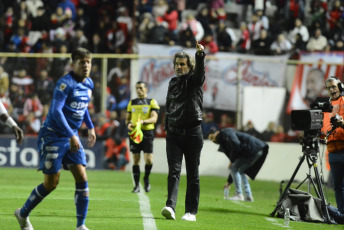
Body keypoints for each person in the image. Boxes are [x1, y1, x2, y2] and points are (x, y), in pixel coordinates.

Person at [14, 48, 96, 230]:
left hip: (70, 135)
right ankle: (23, 213)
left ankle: (81, 226)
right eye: (82, 62)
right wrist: (72, 134)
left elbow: (83, 108)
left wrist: (90, 127)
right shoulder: (65, 84)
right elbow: (56, 111)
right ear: (73, 64)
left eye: (88, 62)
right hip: (53, 135)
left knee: (82, 176)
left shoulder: (89, 84)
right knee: (51, 184)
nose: (86, 66)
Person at [161, 40, 205, 222]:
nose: (179, 67)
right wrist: (166, 127)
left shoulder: (194, 81)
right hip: (173, 134)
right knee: (173, 172)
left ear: (189, 66)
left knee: (193, 174)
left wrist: (200, 56)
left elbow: (200, 75)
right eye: (177, 64)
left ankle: (190, 212)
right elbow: (169, 106)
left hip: (193, 134)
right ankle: (170, 206)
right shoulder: (172, 82)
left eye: (182, 64)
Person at [208, 128, 269, 202]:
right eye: (210, 139)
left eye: (212, 137)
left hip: (252, 148)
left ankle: (239, 194)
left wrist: (232, 161)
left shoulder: (226, 132)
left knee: (234, 167)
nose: (212, 140)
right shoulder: (224, 143)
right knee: (240, 170)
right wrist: (229, 182)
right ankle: (248, 195)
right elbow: (234, 160)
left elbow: (235, 143)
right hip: (257, 149)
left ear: (217, 132)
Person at [126, 81, 160, 193]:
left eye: (141, 88)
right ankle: (136, 186)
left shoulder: (152, 102)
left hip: (147, 132)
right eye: (137, 88)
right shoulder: (132, 102)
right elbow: (127, 119)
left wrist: (143, 122)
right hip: (135, 133)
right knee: (136, 160)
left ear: (146, 89)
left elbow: (154, 118)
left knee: (149, 159)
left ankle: (146, 178)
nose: (138, 90)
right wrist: (128, 124)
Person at [321, 76, 344, 218]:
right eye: (329, 88)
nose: (332, 89)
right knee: (338, 187)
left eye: (334, 86)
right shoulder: (326, 107)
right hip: (333, 151)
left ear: (340, 86)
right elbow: (324, 130)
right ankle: (342, 214)